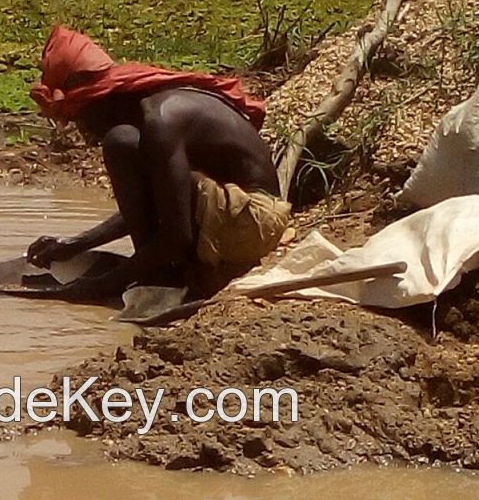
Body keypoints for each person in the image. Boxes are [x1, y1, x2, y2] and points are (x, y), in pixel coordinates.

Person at [26, 25, 291, 302]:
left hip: (253, 224)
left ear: (99, 100)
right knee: (125, 142)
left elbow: (177, 236)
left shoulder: (162, 121)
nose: (85, 133)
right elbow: (166, 199)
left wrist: (102, 284)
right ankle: (165, 271)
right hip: (239, 213)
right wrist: (77, 244)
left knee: (119, 142)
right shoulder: (155, 114)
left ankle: (163, 278)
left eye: (78, 118)